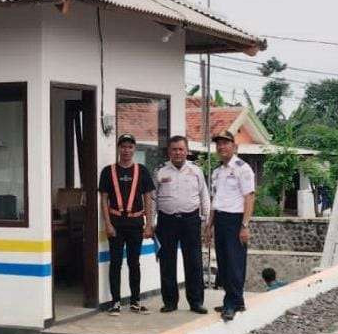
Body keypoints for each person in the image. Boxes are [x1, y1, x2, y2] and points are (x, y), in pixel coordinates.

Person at [99, 133, 155, 316]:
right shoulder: (108, 171)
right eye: (123, 146)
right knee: (115, 263)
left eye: (130, 147)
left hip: (136, 224)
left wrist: (149, 224)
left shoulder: (142, 171)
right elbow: (104, 200)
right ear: (118, 148)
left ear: (134, 149)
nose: (126, 150)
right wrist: (107, 224)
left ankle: (135, 301)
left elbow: (148, 199)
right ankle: (115, 302)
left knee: (134, 263)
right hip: (115, 224)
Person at [154, 135, 210, 314]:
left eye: (181, 149)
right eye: (174, 149)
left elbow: (204, 196)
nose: (177, 152)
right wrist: (152, 222)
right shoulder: (160, 171)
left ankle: (196, 302)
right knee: (167, 261)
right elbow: (153, 197)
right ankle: (170, 302)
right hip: (166, 220)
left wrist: (207, 220)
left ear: (187, 151)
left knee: (193, 261)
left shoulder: (196, 171)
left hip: (190, 220)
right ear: (169, 151)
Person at [204, 130, 255, 322]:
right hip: (221, 220)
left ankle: (231, 304)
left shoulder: (243, 168)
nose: (221, 147)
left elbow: (249, 197)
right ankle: (237, 299)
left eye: (225, 143)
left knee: (235, 263)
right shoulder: (217, 172)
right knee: (224, 264)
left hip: (236, 221)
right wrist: (209, 225)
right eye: (218, 144)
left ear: (234, 146)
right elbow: (215, 200)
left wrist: (245, 225)